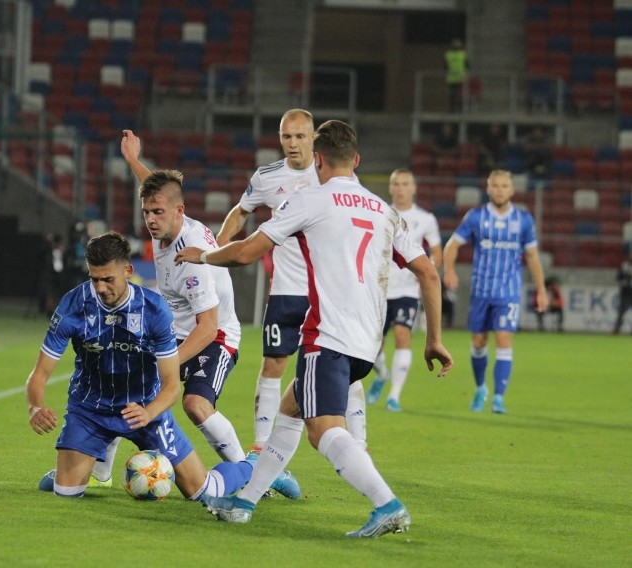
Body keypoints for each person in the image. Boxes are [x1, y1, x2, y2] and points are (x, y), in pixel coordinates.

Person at [175, 120, 453, 538]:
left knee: (321, 429)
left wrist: (203, 256)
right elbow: (429, 274)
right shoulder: (385, 211)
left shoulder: (311, 199)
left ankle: (387, 504)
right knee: (289, 410)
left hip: (328, 336)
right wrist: (434, 339)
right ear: (356, 161)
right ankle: (245, 500)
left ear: (318, 159)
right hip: (366, 341)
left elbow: (248, 251)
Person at [114, 133, 298, 498]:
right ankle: (98, 471)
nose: (150, 219)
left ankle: (251, 472)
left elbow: (208, 327)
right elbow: (156, 191)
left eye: (157, 213)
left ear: (179, 212)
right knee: (123, 385)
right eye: (146, 212)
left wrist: (168, 364)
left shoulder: (190, 260)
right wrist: (134, 160)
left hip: (216, 336)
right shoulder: (166, 216)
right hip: (178, 330)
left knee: (195, 404)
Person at [26, 231, 254, 501]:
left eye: (108, 279)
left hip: (146, 409)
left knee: (203, 493)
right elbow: (39, 374)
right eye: (94, 279)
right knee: (66, 493)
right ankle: (72, 467)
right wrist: (35, 406)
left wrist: (149, 413)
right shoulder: (73, 305)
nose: (99, 288)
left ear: (128, 271)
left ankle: (252, 466)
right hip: (90, 411)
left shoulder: (154, 310)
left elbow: (170, 386)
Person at [214, 109, 366, 452]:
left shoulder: (333, 175)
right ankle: (260, 446)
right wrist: (218, 245)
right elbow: (241, 211)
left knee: (343, 361)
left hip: (329, 290)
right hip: (286, 288)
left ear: (314, 138)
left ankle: (359, 442)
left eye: (300, 136)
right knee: (273, 363)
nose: (293, 144)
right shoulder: (267, 177)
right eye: (287, 137)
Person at [443, 170, 548, 414]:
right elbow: (452, 245)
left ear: (512, 190)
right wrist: (449, 270)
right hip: (481, 291)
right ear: (488, 189)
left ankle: (499, 397)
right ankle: (481, 388)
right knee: (479, 342)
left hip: (508, 291)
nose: (500, 189)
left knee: (503, 338)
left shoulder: (523, 219)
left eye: (504, 186)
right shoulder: (476, 217)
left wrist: (541, 289)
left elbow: (532, 255)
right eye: (495, 185)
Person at [366, 168, 443, 412]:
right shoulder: (380, 214)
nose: (400, 188)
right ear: (390, 188)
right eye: (396, 184)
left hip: (407, 291)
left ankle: (394, 396)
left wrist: (426, 274)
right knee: (372, 346)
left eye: (405, 184)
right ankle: (382, 374)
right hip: (379, 289)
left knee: (403, 336)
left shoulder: (426, 219)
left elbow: (437, 252)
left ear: (414, 188)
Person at [444, 38, 468, 112]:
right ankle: (452, 110)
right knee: (452, 96)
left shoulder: (463, 54)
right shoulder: (448, 54)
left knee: (460, 95)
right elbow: (445, 66)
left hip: (461, 78)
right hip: (452, 78)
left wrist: (465, 74)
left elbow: (467, 65)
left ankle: (460, 110)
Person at [612, 250, 632, 334]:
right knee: (621, 312)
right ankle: (617, 329)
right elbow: (618, 276)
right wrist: (625, 278)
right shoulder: (624, 266)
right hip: (625, 291)